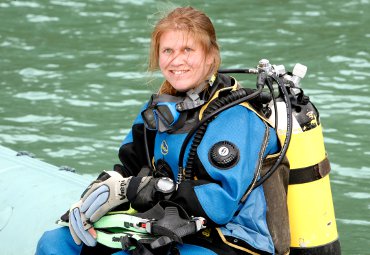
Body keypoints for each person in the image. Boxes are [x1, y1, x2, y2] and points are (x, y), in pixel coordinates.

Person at [36, 6, 290, 255]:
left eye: (187, 50)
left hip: (228, 239)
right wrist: (94, 199)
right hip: (162, 224)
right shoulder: (158, 109)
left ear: (211, 55)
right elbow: (128, 167)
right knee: (55, 244)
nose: (176, 60)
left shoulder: (239, 118)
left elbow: (220, 205)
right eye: (167, 50)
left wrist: (145, 188)